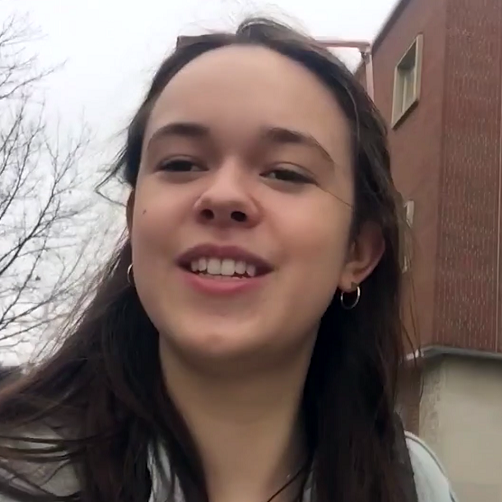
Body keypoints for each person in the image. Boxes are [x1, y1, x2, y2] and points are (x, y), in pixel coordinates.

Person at [0, 17, 457, 502]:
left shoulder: (412, 484)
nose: (222, 195)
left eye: (285, 172)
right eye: (180, 163)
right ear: (134, 225)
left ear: (357, 250)